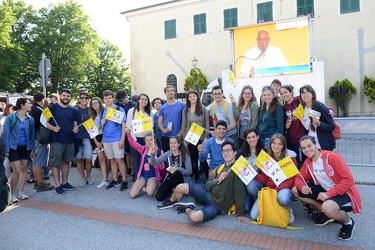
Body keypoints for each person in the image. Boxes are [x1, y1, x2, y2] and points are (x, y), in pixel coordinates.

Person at [293, 135, 362, 240]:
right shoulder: (308, 162)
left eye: (309, 146)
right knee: (295, 190)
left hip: (343, 192)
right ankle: (328, 214)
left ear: (315, 145)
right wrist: (302, 186)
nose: (307, 150)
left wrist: (328, 194)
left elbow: (349, 180)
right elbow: (299, 178)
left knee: (328, 207)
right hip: (325, 190)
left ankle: (348, 222)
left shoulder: (332, 157)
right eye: (303, 148)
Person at [163, 141, 250, 224]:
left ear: (235, 152)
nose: (226, 153)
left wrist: (240, 214)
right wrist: (217, 180)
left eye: (228, 150)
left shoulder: (238, 169)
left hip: (217, 205)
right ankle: (171, 202)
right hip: (207, 193)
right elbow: (208, 185)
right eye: (223, 151)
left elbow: (240, 192)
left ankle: (187, 208)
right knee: (179, 187)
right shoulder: (221, 167)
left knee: (194, 218)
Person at [247, 133, 297, 223]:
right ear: (270, 144)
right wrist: (253, 172)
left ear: (283, 146)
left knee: (283, 199)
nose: (276, 146)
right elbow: (264, 180)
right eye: (274, 143)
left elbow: (291, 182)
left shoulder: (289, 159)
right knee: (253, 216)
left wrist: (276, 190)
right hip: (269, 190)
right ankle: (267, 204)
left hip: (283, 190)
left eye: (279, 144)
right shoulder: (266, 159)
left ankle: (288, 208)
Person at [46, 88, 79, 195]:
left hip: (69, 140)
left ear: (70, 97)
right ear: (60, 95)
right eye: (64, 95)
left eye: (68, 96)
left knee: (66, 162)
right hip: (56, 140)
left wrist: (76, 129)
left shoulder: (73, 109)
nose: (66, 97)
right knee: (55, 163)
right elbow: (44, 122)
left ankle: (65, 183)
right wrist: (53, 128)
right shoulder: (52, 107)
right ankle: (58, 186)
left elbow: (75, 124)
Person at [2, 98, 35, 203]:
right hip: (13, 147)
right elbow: (6, 134)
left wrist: (32, 149)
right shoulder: (11, 118)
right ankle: (11, 194)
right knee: (16, 171)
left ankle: (21, 192)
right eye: (29, 103)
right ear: (22, 105)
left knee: (24, 169)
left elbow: (32, 135)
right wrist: (6, 149)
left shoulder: (30, 119)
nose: (31, 105)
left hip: (26, 147)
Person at [150, 136, 192, 206]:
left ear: (178, 144)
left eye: (174, 143)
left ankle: (176, 196)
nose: (172, 145)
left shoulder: (185, 154)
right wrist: (152, 154)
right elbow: (154, 162)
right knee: (159, 197)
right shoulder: (168, 153)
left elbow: (189, 171)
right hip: (170, 177)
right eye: (171, 143)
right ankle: (172, 191)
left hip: (181, 178)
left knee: (175, 173)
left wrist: (177, 168)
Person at [100, 90, 128, 191]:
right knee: (112, 161)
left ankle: (124, 181)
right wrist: (102, 122)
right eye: (106, 98)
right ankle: (115, 179)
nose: (108, 100)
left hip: (117, 138)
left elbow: (124, 124)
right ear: (104, 99)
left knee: (119, 160)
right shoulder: (103, 111)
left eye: (109, 98)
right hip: (107, 139)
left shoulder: (118, 109)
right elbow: (101, 126)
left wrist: (122, 139)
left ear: (113, 98)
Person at [181, 90, 210, 182]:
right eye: (190, 96)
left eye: (194, 96)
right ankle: (196, 178)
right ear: (188, 99)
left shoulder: (203, 109)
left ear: (197, 97)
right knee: (194, 159)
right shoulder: (185, 110)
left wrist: (206, 138)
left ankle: (207, 176)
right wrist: (185, 140)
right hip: (191, 138)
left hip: (201, 138)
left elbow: (207, 125)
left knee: (203, 158)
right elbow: (184, 125)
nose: (192, 98)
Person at [29, 92, 54, 192]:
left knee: (35, 161)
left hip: (34, 138)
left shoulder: (32, 109)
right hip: (41, 139)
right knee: (40, 161)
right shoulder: (40, 110)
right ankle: (40, 183)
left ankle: (36, 181)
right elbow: (46, 124)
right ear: (42, 99)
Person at [127, 133, 165, 199]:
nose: (149, 142)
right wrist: (129, 134)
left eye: (151, 139)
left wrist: (154, 163)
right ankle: (144, 184)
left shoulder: (159, 152)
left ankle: (154, 185)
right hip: (143, 176)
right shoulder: (144, 149)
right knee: (132, 195)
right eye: (147, 140)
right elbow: (133, 144)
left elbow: (162, 167)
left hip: (153, 176)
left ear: (154, 139)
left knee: (149, 193)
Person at [299, 85, 336, 150]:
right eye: (303, 93)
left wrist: (319, 124)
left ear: (312, 95)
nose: (305, 95)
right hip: (310, 145)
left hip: (323, 145)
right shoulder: (302, 109)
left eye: (308, 93)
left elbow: (332, 126)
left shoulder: (320, 107)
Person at [125, 93, 153, 179]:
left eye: (146, 99)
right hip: (135, 139)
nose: (144, 101)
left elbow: (152, 127)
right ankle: (138, 178)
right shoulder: (132, 111)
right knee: (136, 159)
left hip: (146, 139)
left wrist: (152, 140)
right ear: (138, 100)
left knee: (146, 159)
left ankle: (146, 176)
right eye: (142, 99)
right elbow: (128, 125)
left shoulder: (149, 112)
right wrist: (128, 132)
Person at [280, 85, 306, 167]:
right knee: (292, 163)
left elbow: (314, 105)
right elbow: (283, 124)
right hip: (290, 140)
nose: (284, 95)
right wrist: (286, 126)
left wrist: (331, 110)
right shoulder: (283, 108)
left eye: (285, 92)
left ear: (291, 92)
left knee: (302, 162)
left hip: (301, 139)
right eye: (281, 93)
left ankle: (304, 179)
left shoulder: (300, 102)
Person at [239, 128, 265, 211]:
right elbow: (237, 168)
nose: (251, 140)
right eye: (249, 138)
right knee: (245, 208)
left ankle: (261, 202)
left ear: (258, 137)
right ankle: (254, 200)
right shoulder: (241, 152)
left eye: (253, 137)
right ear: (246, 140)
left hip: (258, 183)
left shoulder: (264, 152)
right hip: (245, 184)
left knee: (251, 186)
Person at [115, 89, 136, 179]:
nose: (120, 102)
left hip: (131, 130)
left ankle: (133, 170)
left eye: (121, 100)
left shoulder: (133, 104)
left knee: (133, 151)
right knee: (127, 152)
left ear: (126, 97)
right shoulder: (117, 104)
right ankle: (127, 168)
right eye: (119, 100)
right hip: (121, 129)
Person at [74, 91, 94, 187]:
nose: (84, 99)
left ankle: (88, 176)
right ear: (79, 99)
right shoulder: (75, 109)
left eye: (86, 98)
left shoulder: (91, 110)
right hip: (77, 138)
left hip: (87, 137)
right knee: (78, 159)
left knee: (89, 159)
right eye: (82, 98)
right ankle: (82, 178)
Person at [89, 97, 110, 189]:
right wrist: (96, 142)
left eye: (96, 103)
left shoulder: (105, 113)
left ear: (100, 103)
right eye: (92, 104)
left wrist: (102, 141)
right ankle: (104, 179)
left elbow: (107, 128)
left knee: (109, 158)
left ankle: (113, 177)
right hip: (96, 139)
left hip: (105, 137)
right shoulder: (91, 116)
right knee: (101, 159)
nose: (94, 105)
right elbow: (91, 131)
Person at [158, 85, 185, 152]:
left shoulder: (182, 105)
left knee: (179, 157)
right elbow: (159, 122)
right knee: (166, 158)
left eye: (171, 91)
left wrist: (181, 133)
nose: (170, 92)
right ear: (165, 93)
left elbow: (185, 121)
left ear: (174, 92)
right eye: (168, 91)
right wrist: (163, 130)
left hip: (178, 135)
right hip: (166, 136)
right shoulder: (162, 107)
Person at [257, 85, 284, 151]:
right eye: (264, 95)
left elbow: (280, 128)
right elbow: (258, 124)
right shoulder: (260, 109)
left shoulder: (278, 108)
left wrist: (276, 142)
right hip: (260, 140)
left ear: (273, 95)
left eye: (269, 94)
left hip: (270, 140)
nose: (267, 97)